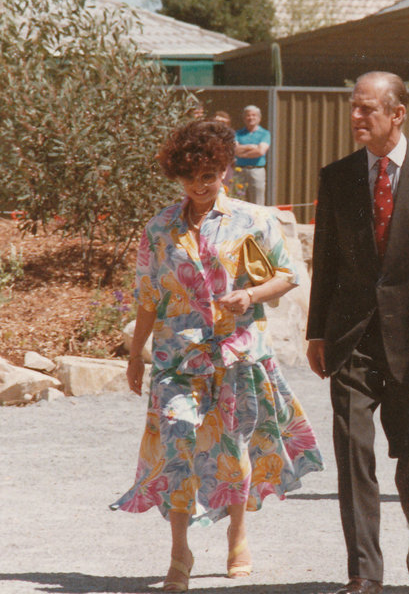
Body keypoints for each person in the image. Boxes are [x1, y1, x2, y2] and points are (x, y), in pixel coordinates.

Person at [111, 119, 323, 592]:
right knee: (178, 444)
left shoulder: (256, 218)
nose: (199, 187)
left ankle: (237, 532)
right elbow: (147, 295)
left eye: (208, 176)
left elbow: (287, 276)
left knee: (233, 448)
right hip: (176, 358)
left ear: (226, 169)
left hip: (235, 354)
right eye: (189, 178)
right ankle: (179, 553)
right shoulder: (160, 227)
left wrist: (250, 296)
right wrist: (134, 354)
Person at [306, 71, 409, 594]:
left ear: (397, 114)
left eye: (367, 110)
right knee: (353, 451)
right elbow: (327, 260)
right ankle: (364, 572)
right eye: (353, 108)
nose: (356, 118)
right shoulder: (337, 177)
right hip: (353, 339)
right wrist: (317, 332)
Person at [234, 105, 270, 204]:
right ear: (244, 118)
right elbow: (235, 150)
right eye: (248, 115)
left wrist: (242, 153)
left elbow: (260, 151)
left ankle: (257, 220)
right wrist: (252, 146)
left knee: (258, 202)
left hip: (256, 170)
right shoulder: (238, 133)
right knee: (237, 200)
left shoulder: (264, 134)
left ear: (259, 118)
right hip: (239, 170)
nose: (251, 118)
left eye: (254, 115)